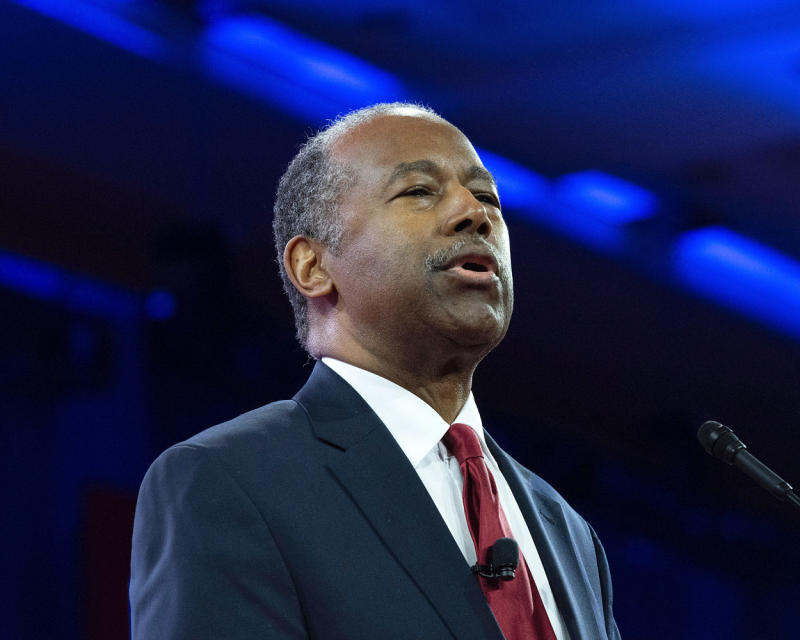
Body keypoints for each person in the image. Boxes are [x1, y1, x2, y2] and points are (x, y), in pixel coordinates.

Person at [129, 103, 621, 639]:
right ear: (313, 267)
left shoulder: (567, 532)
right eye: (419, 191)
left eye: (486, 197)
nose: (474, 214)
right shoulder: (231, 480)